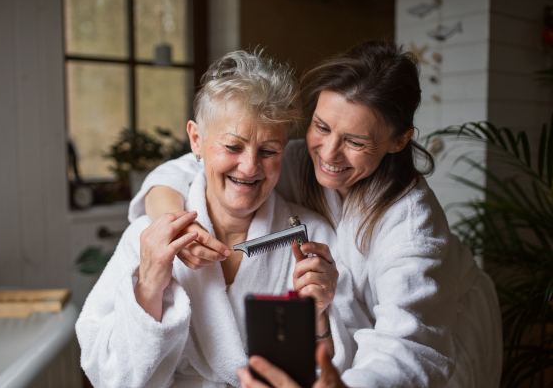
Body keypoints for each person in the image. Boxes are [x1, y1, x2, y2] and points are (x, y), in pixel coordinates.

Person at [129, 40, 503, 388]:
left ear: (398, 140)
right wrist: (176, 226)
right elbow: (189, 169)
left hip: (439, 330)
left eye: (356, 141)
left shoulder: (409, 223)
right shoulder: (290, 160)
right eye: (321, 127)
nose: (329, 154)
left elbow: (407, 346)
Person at [76, 50, 356, 388]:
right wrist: (149, 284)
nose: (251, 167)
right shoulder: (149, 237)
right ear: (196, 139)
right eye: (233, 147)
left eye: (269, 151)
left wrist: (320, 315)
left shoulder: (314, 239)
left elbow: (341, 374)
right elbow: (107, 374)